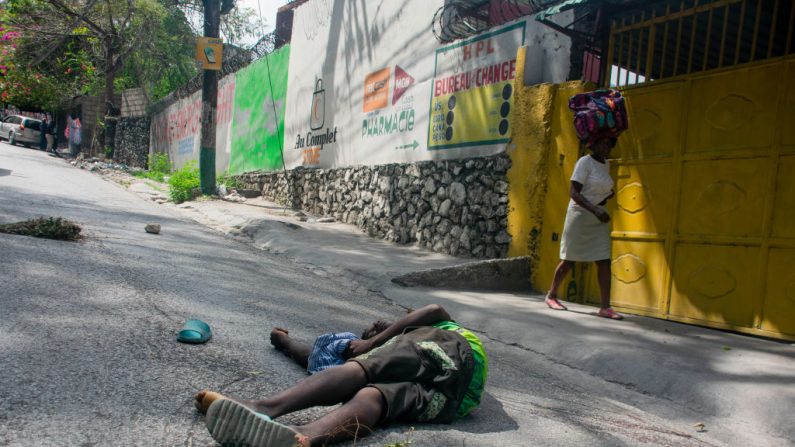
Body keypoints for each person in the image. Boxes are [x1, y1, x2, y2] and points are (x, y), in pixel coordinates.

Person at [194, 304, 488, 447]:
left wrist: (372, 344)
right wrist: (281, 340)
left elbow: (434, 309)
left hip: (454, 352)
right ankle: (306, 437)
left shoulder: (429, 330)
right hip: (456, 400)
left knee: (366, 368)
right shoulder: (408, 344)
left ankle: (264, 407)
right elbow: (309, 356)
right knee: (376, 396)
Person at [545, 136, 623, 320]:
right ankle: (552, 295)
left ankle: (605, 307)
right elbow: (574, 193)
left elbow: (598, 192)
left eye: (608, 144)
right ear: (592, 144)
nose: (606, 146)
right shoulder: (584, 162)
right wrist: (596, 210)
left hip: (598, 217)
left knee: (604, 260)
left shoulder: (606, 165)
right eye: (602, 143)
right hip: (580, 215)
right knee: (569, 260)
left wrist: (604, 198)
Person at [269, 318, 392, 375]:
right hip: (336, 356)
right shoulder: (352, 342)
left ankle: (282, 339)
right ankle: (281, 338)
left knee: (308, 353)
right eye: (374, 327)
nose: (377, 325)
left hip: (335, 357)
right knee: (309, 355)